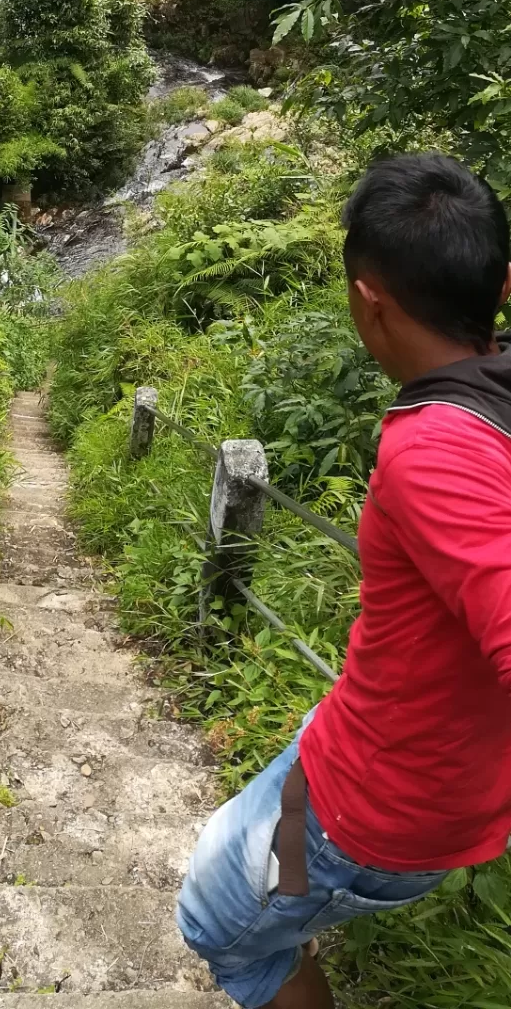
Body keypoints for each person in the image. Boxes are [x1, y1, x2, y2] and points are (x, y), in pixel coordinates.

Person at [177, 151, 511, 1008]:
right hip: (398, 756)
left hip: (380, 801)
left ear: (368, 299)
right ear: (500, 285)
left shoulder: (435, 446)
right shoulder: (489, 400)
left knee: (216, 926)